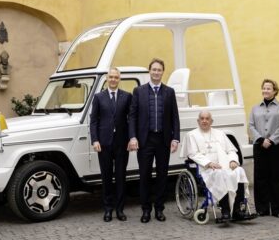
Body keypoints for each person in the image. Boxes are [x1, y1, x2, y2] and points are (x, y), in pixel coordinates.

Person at [128, 58, 180, 223]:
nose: (156, 72)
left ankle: (159, 209)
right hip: (145, 140)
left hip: (163, 140)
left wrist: (175, 138)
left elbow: (175, 117)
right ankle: (145, 210)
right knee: (144, 176)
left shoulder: (169, 92)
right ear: (149, 71)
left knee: (162, 176)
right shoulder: (139, 91)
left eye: (159, 70)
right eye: (154, 69)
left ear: (162, 72)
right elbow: (132, 116)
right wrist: (133, 136)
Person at [181, 110, 249, 221]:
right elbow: (193, 154)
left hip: (224, 165)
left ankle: (237, 210)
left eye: (207, 119)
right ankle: (225, 211)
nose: (204, 121)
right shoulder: (191, 135)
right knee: (219, 174)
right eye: (202, 118)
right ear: (198, 121)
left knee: (239, 171)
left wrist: (233, 161)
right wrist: (208, 163)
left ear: (211, 121)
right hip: (206, 169)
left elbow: (231, 150)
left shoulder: (220, 133)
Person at [90, 67, 132, 222]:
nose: (113, 79)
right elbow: (94, 121)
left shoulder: (127, 96)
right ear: (106, 79)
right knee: (106, 177)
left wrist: (131, 138)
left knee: (121, 177)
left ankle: (120, 210)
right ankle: (108, 210)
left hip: (122, 143)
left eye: (116, 77)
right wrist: (95, 140)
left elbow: (131, 119)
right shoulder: (98, 97)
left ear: (119, 79)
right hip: (104, 143)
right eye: (111, 77)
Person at [249, 79, 279, 218]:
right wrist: (261, 139)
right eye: (264, 88)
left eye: (269, 88)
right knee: (260, 178)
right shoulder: (255, 108)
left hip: (276, 147)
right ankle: (262, 208)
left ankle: (278, 209)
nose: (266, 90)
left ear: (275, 91)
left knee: (277, 178)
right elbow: (251, 125)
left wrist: (271, 140)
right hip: (259, 147)